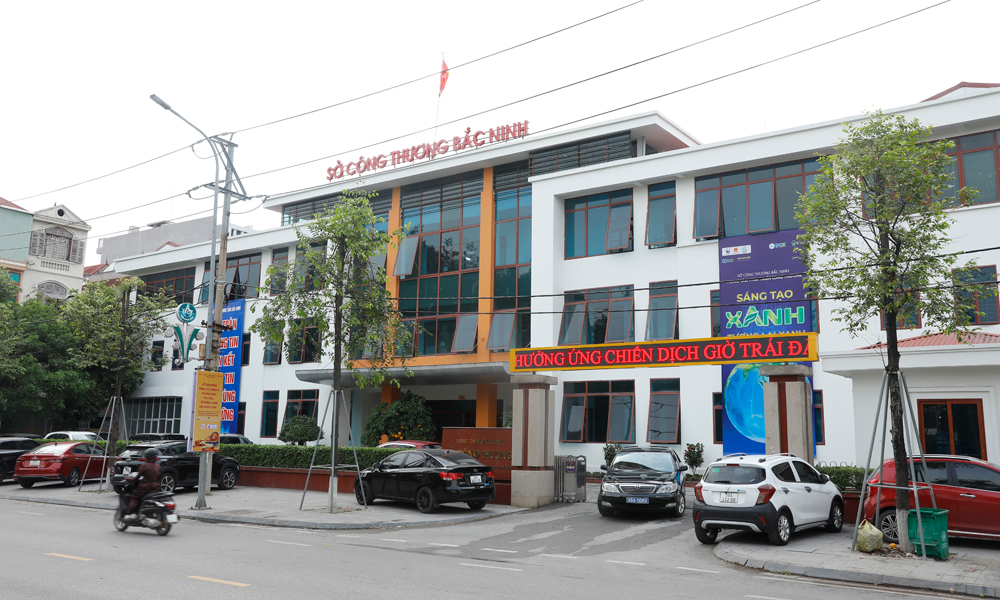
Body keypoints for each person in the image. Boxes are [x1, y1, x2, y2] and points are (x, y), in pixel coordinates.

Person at [125, 448, 162, 520]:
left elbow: (136, 479)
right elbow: (158, 477)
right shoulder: (158, 466)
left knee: (134, 496)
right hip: (156, 487)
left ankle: (129, 513)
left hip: (146, 487)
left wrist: (128, 479)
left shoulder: (144, 466)